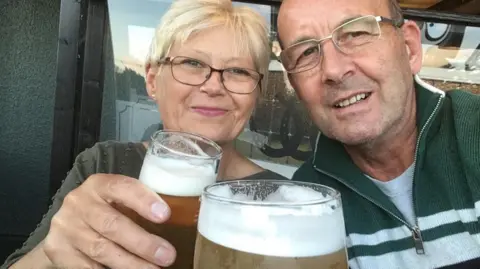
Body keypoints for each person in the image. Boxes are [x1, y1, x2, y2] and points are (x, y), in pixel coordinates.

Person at [2, 0, 286, 268]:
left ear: (257, 94)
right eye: (192, 63)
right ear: (152, 80)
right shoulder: (105, 164)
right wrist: (51, 253)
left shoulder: (283, 199)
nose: (214, 86)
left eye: (238, 71)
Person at [277, 0, 480, 268]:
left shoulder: (473, 133)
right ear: (295, 87)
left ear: (409, 48)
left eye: (355, 34)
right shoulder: (306, 201)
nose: (334, 71)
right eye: (305, 53)